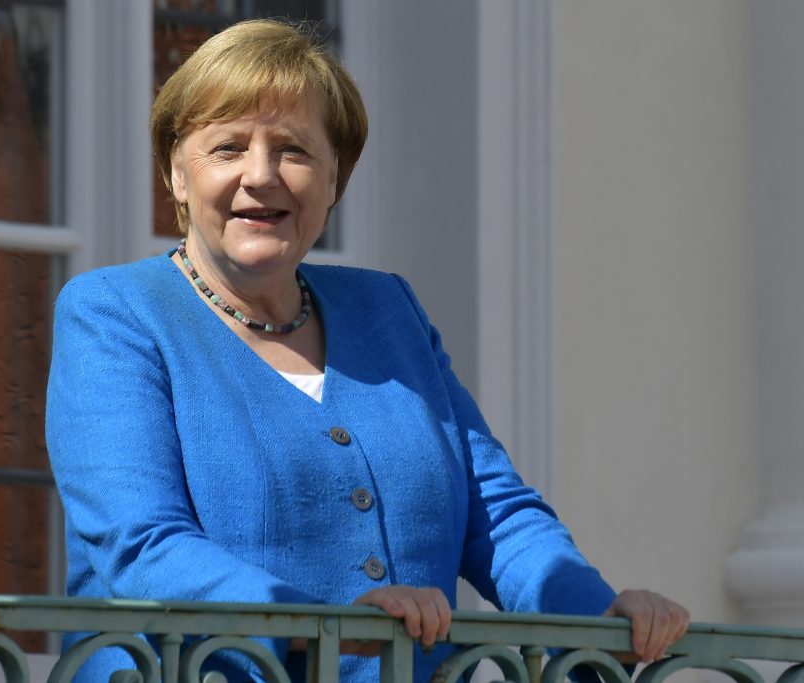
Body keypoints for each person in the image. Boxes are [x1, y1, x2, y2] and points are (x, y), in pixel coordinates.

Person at [45, 18, 689, 682]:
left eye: (293, 150)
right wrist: (326, 632)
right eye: (229, 147)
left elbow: (492, 510)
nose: (261, 175)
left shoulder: (387, 310)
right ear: (177, 174)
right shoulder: (114, 313)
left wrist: (599, 613)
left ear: (334, 179)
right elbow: (140, 543)